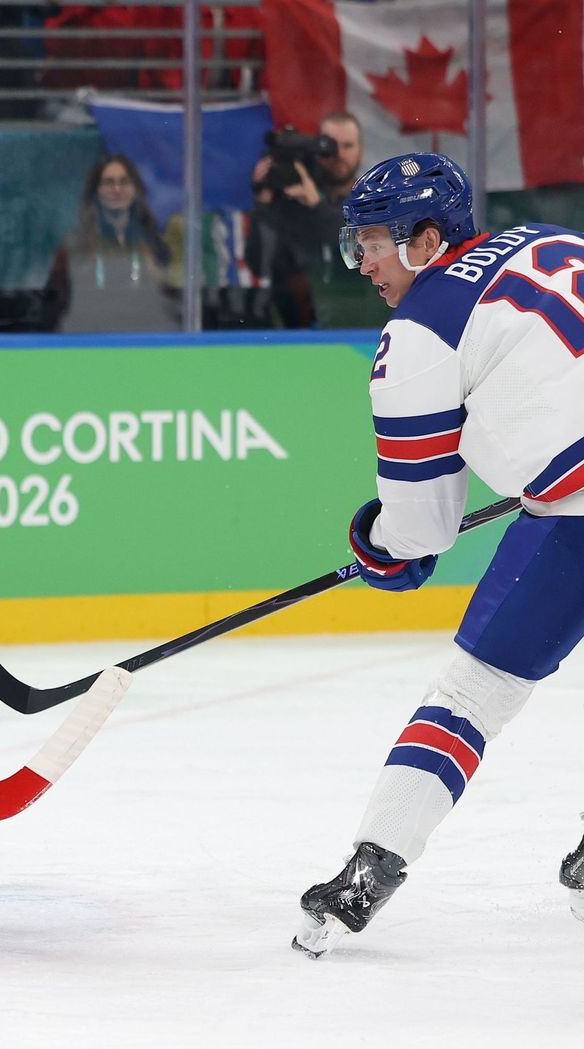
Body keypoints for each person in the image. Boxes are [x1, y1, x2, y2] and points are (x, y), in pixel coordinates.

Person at [293, 152, 584, 957]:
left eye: (373, 244)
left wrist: (379, 543)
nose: (362, 263)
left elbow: (420, 533)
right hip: (569, 505)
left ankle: (373, 864)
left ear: (426, 242)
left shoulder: (420, 330)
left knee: (474, 691)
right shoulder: (545, 237)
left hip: (573, 516)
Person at [247, 111, 371, 328]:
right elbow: (259, 263)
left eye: (348, 146)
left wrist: (316, 204)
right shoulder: (291, 203)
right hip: (297, 332)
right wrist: (264, 201)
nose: (338, 154)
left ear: (361, 151)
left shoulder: (371, 200)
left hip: (359, 328)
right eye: (329, 146)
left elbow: (360, 253)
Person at [40, 153, 174, 332]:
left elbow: (171, 298)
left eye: (124, 182)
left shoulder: (154, 243)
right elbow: (53, 304)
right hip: (87, 342)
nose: (117, 189)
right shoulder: (74, 244)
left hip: (145, 341)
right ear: (97, 191)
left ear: (135, 190)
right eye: (108, 183)